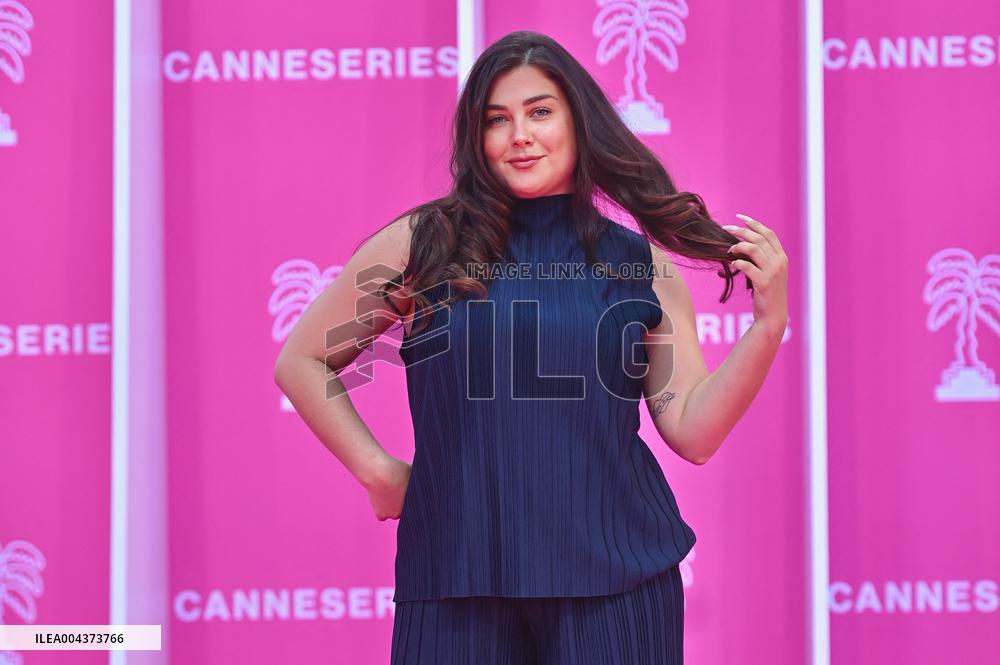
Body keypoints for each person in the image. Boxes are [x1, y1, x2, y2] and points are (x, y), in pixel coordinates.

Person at [274, 30, 788, 665]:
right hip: (454, 579)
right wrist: (378, 471)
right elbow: (303, 360)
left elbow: (692, 431)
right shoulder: (422, 244)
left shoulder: (639, 265)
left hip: (618, 586)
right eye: (497, 119)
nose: (520, 135)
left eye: (540, 111)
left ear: (579, 121)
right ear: (476, 137)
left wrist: (767, 327)